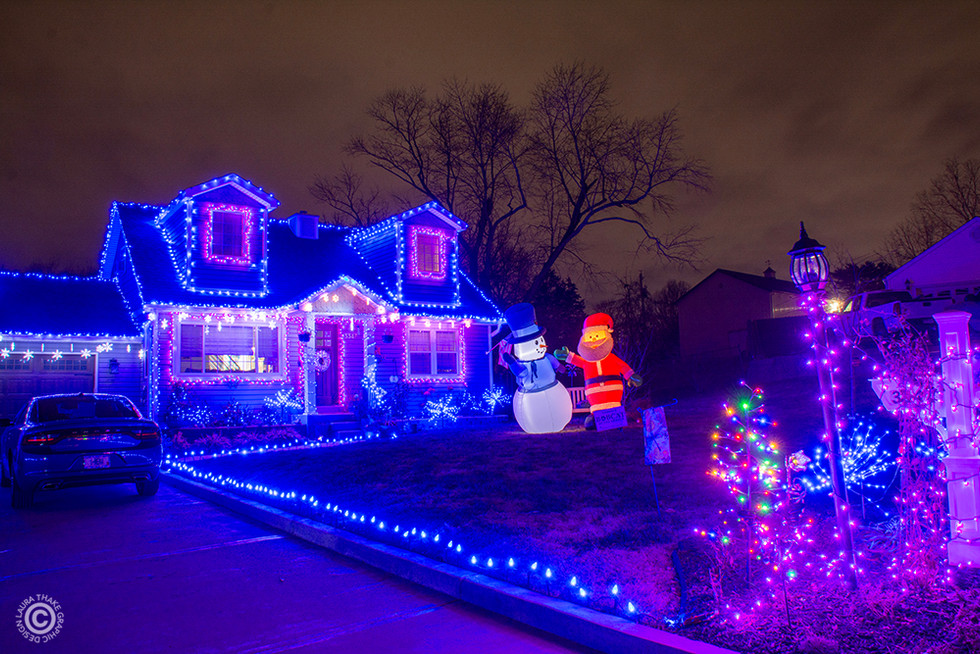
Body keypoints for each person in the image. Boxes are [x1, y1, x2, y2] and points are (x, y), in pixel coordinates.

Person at [555, 312, 642, 430]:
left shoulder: (611, 358)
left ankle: (615, 420)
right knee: (597, 409)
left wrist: (631, 376)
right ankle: (595, 419)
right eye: (590, 337)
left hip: (613, 394)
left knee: (614, 408)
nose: (594, 341)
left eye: (597, 336)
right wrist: (567, 356)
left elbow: (622, 366)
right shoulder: (587, 361)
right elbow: (577, 360)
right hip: (594, 397)